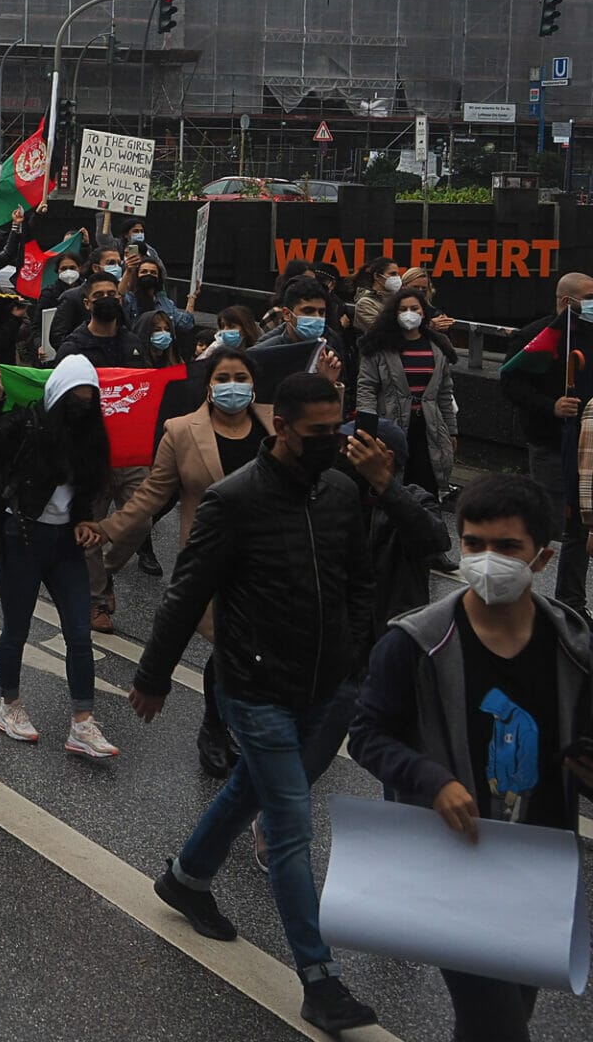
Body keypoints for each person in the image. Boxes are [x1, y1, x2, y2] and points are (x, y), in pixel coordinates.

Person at [130, 373, 381, 1037]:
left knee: (251, 786)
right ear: (284, 429)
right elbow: (187, 593)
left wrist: (353, 652)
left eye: (337, 429)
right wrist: (153, 676)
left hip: (323, 685)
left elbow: (359, 580)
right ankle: (320, 979)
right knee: (290, 821)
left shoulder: (340, 492)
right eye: (318, 433)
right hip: (254, 686)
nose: (332, 442)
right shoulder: (233, 501)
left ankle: (187, 878)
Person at [349, 474, 593, 1042]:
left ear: (542, 558)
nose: (487, 560)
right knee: (498, 1026)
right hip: (453, 863)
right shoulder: (414, 643)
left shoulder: (574, 646)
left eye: (507, 547)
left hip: (537, 863)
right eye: (474, 543)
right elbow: (367, 734)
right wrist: (430, 780)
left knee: (507, 1014)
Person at [86, 348, 270, 776]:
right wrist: (108, 528)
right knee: (228, 644)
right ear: (208, 386)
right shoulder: (182, 430)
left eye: (241, 377)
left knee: (258, 646)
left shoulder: (272, 422)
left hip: (267, 555)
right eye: (222, 378)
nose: (232, 386)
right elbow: (153, 493)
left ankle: (245, 723)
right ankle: (215, 727)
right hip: (210, 559)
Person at [0, 354, 119, 757]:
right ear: (57, 396)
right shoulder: (28, 425)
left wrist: (86, 520)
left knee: (79, 632)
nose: (81, 408)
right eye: (74, 399)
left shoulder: (92, 439)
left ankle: (83, 722)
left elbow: (88, 489)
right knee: (17, 628)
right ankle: (9, 705)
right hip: (21, 537)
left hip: (66, 545)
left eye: (89, 400)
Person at [499, 271, 593, 623]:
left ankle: (570, 602)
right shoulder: (537, 336)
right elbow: (510, 383)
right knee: (549, 524)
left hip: (587, 446)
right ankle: (514, 592)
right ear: (568, 301)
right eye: (589, 297)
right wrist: (551, 406)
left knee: (580, 526)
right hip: (551, 444)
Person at [357, 286, 458, 496]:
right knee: (393, 483)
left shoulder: (438, 346)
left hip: (429, 427)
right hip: (390, 424)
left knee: (427, 483)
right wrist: (367, 429)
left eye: (415, 308)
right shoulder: (378, 346)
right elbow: (367, 388)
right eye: (403, 309)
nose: (409, 314)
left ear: (424, 312)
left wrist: (451, 430)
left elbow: (444, 393)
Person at [57, 272, 147, 368]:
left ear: (119, 300)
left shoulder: (133, 342)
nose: (106, 298)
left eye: (111, 294)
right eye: (98, 295)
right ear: (87, 303)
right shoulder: (72, 349)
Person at [350, 255, 403, 335]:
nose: (397, 277)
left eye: (397, 274)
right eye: (392, 274)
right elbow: (381, 331)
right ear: (377, 276)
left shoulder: (398, 298)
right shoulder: (365, 303)